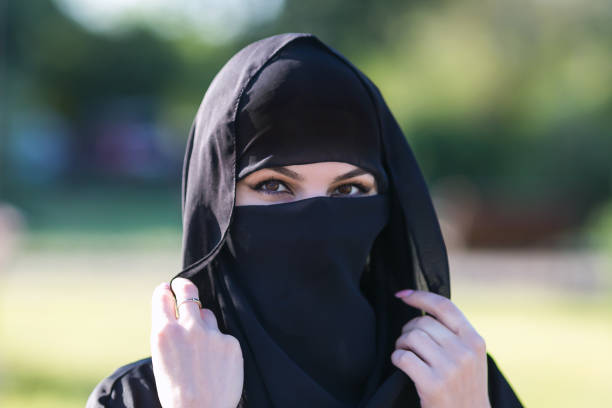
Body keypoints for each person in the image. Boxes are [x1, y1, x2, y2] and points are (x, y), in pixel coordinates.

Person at [87, 32, 522, 408]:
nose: (317, 217)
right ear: (214, 201)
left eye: (349, 190)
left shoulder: (452, 379)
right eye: (274, 185)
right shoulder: (143, 397)